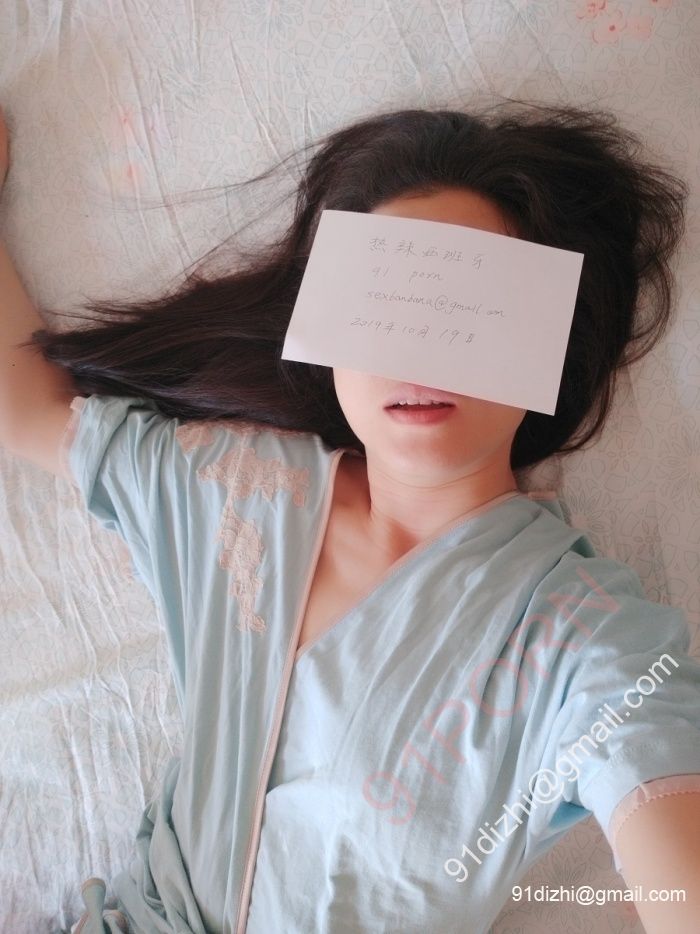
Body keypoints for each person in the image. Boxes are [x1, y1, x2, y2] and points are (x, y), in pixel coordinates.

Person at [1, 99, 699, 934]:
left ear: (548, 342)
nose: (421, 353)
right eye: (388, 305)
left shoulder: (584, 637)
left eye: (470, 311)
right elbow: (31, 410)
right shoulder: (238, 488)